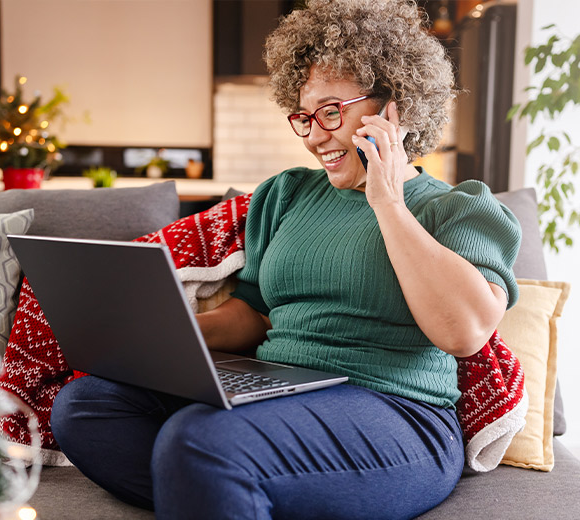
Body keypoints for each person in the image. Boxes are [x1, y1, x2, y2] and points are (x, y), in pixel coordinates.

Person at [50, 0, 521, 518]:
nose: (315, 135)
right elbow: (253, 314)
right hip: (279, 390)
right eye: (304, 117)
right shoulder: (288, 194)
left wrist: (387, 200)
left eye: (331, 112)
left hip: (395, 411)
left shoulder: (459, 208)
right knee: (86, 407)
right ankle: (231, 491)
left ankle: (221, 479)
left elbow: (465, 332)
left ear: (396, 106)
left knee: (200, 440)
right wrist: (165, 331)